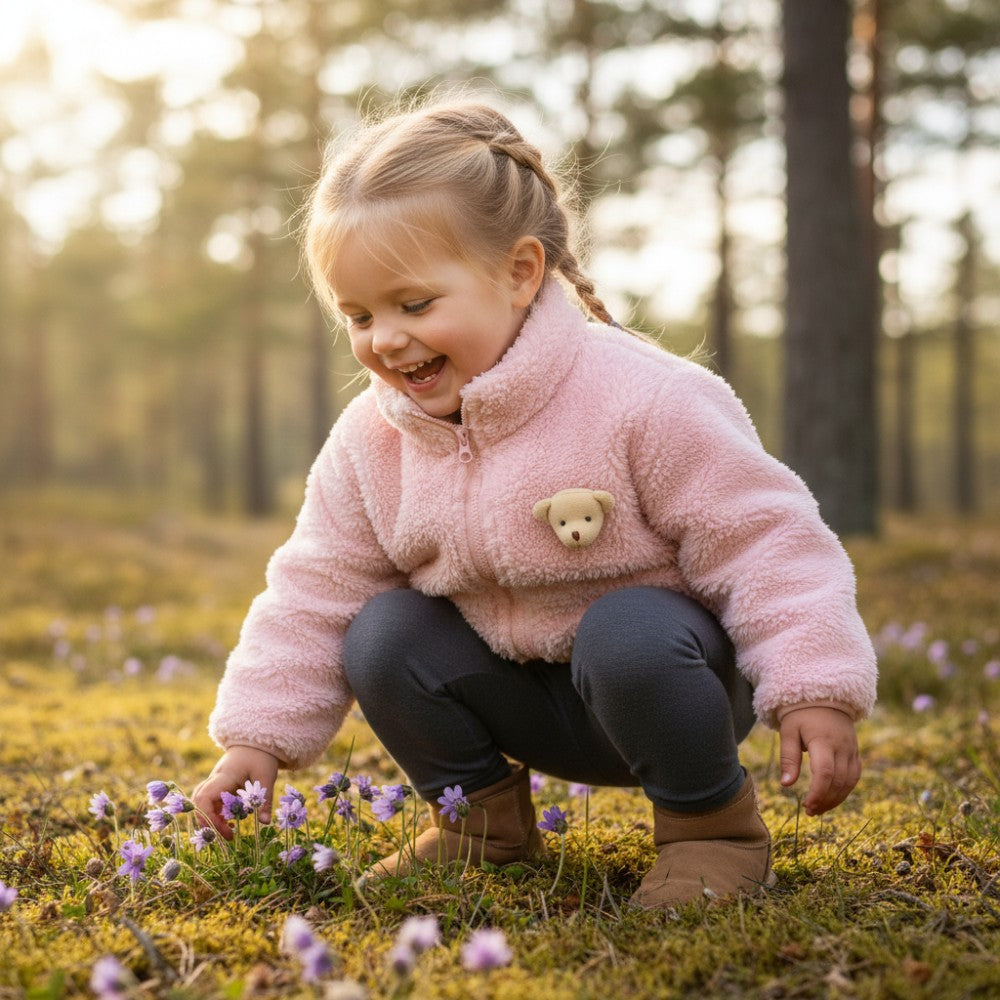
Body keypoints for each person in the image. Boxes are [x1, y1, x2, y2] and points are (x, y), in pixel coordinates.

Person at [192, 98, 877, 909]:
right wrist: (255, 740)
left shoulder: (645, 399)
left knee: (629, 629)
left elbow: (765, 540)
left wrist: (816, 687)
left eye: (414, 304)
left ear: (520, 273)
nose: (385, 339)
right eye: (359, 314)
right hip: (522, 700)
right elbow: (314, 587)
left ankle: (712, 829)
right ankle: (483, 825)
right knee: (379, 630)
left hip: (669, 690)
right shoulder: (372, 439)